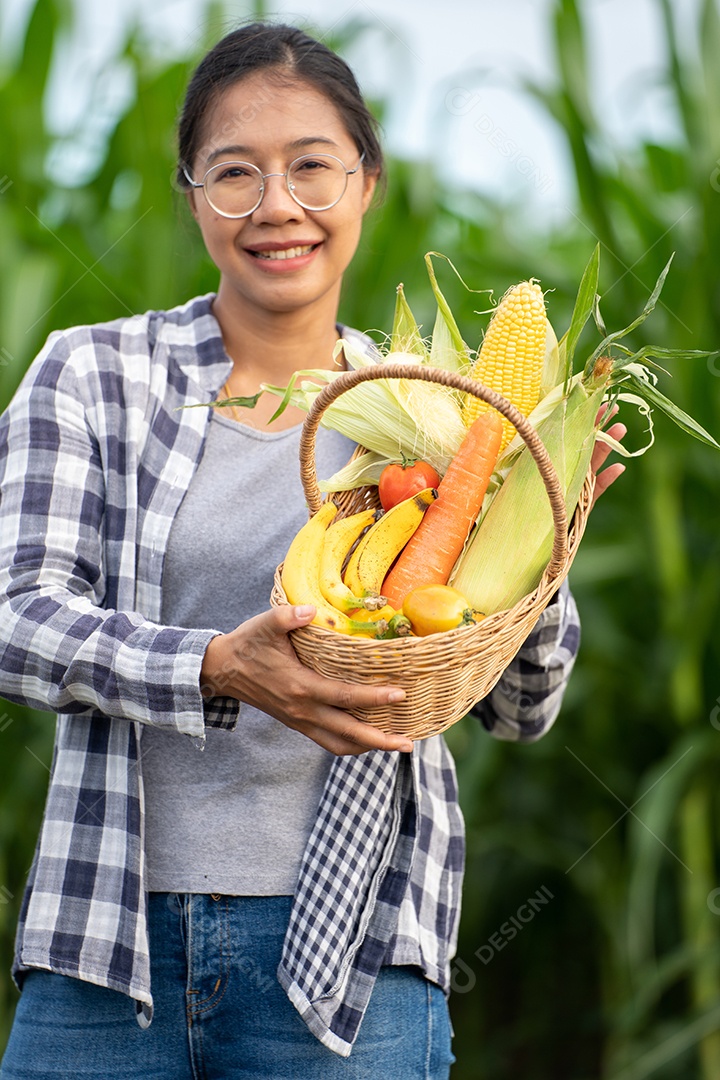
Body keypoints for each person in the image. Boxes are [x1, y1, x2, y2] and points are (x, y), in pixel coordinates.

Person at [0, 21, 625, 1080]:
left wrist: (542, 544)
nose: (275, 207)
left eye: (311, 168)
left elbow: (524, 709)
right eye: (234, 174)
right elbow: (15, 620)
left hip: (362, 954)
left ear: (367, 182)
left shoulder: (444, 412)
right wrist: (214, 667)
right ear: (192, 193)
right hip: (106, 946)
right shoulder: (93, 374)